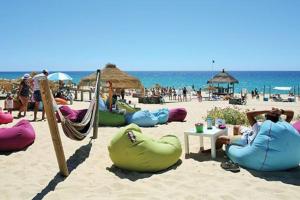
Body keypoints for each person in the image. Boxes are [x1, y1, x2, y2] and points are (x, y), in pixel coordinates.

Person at [217, 108, 294, 147]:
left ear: (266, 116)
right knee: (236, 127)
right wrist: (281, 111)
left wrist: (267, 110)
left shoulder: (260, 126)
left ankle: (232, 145)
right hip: (251, 133)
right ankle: (234, 140)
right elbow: (291, 114)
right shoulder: (281, 125)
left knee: (220, 139)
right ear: (278, 117)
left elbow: (248, 114)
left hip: (247, 141)